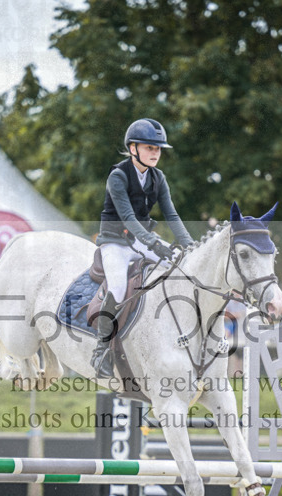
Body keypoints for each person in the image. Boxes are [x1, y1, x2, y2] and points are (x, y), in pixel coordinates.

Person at [91, 117, 194, 377]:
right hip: (114, 241)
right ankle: (101, 349)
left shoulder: (158, 178)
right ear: (133, 147)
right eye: (150, 148)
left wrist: (190, 245)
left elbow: (172, 215)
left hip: (140, 240)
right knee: (117, 286)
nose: (155, 153)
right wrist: (152, 243)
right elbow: (127, 217)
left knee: (177, 267)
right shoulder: (118, 176)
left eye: (158, 149)